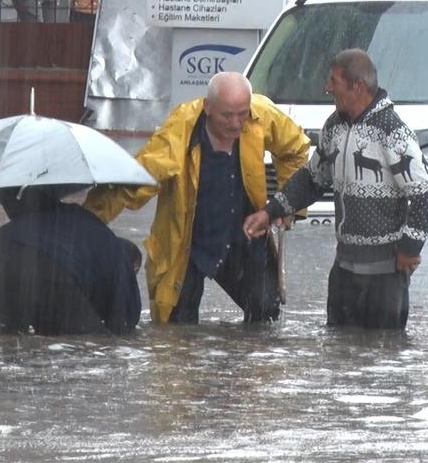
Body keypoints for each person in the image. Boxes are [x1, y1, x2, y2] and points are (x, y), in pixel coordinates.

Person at [83, 72, 310, 325]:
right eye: (227, 115)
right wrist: (86, 222)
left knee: (267, 319)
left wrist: (286, 205)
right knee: (177, 332)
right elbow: (133, 182)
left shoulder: (261, 114)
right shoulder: (179, 131)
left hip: (244, 239)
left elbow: (297, 149)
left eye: (242, 114)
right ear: (208, 107)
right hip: (188, 245)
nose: (236, 123)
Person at [243, 49, 428, 330]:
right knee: (339, 359)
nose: (328, 87)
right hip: (344, 273)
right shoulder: (333, 127)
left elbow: (427, 191)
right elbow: (313, 179)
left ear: (356, 86)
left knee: (384, 362)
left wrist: (409, 249)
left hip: (385, 278)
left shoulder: (392, 131)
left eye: (333, 81)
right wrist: (272, 211)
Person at [0, 158, 142, 335]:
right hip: (50, 270)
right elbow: (125, 323)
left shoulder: (59, 217)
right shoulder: (119, 262)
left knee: (5, 343)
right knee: (84, 348)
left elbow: (19, 196)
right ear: (133, 266)